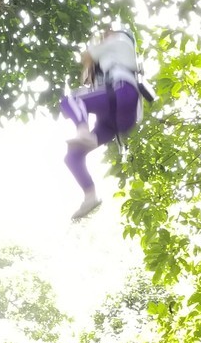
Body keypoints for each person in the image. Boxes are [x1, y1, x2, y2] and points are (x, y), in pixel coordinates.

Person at [60, 24, 155, 220]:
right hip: (121, 119)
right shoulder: (113, 56)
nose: (104, 36)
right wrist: (95, 67)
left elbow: (85, 59)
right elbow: (88, 80)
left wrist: (96, 48)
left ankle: (83, 133)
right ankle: (90, 196)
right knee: (72, 156)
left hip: (121, 92)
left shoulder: (120, 41)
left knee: (70, 100)